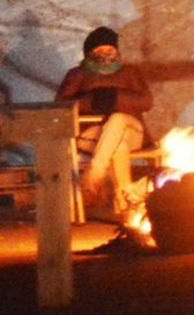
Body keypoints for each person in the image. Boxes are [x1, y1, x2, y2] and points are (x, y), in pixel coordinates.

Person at [55, 26, 153, 214]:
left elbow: (146, 101)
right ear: (89, 53)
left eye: (110, 50)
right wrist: (92, 101)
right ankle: (124, 201)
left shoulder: (129, 72)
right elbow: (61, 104)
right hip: (92, 135)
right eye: (100, 50)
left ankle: (94, 174)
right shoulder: (78, 74)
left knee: (117, 119)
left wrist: (116, 98)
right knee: (118, 146)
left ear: (117, 51)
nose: (106, 55)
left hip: (131, 130)